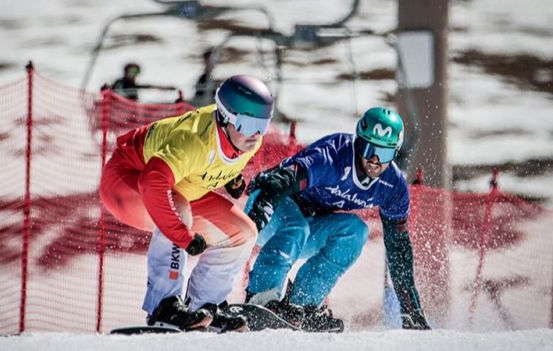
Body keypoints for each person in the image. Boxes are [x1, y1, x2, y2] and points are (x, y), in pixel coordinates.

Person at [99, 75, 274, 332]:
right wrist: (182, 236)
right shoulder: (193, 141)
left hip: (180, 188)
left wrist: (231, 178)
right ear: (225, 117)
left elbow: (219, 159)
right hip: (125, 183)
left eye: (263, 125)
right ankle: (163, 307)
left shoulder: (248, 140)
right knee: (178, 208)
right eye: (248, 125)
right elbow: (152, 183)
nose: (256, 135)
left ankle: (205, 306)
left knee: (243, 233)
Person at [244, 107, 431, 332]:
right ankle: (260, 298)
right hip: (270, 207)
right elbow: (286, 179)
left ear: (394, 154)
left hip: (308, 225)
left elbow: (398, 251)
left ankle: (301, 306)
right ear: (358, 142)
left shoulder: (393, 187)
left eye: (384, 154)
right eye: (369, 148)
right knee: (296, 226)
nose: (374, 160)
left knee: (356, 232)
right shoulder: (335, 153)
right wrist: (263, 201)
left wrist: (411, 311)